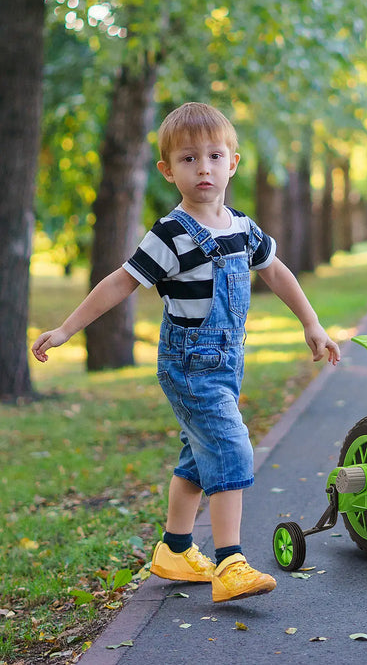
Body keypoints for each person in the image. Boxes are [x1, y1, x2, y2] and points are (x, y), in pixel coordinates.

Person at [32, 102, 341, 603]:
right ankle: (230, 562)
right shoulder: (170, 234)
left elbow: (276, 272)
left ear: (233, 163)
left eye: (214, 156)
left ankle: (175, 549)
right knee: (230, 446)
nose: (203, 168)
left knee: (199, 458)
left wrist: (312, 323)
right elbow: (121, 283)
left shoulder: (241, 226)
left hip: (225, 364)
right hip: (188, 364)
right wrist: (68, 328)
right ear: (167, 170)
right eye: (189, 159)